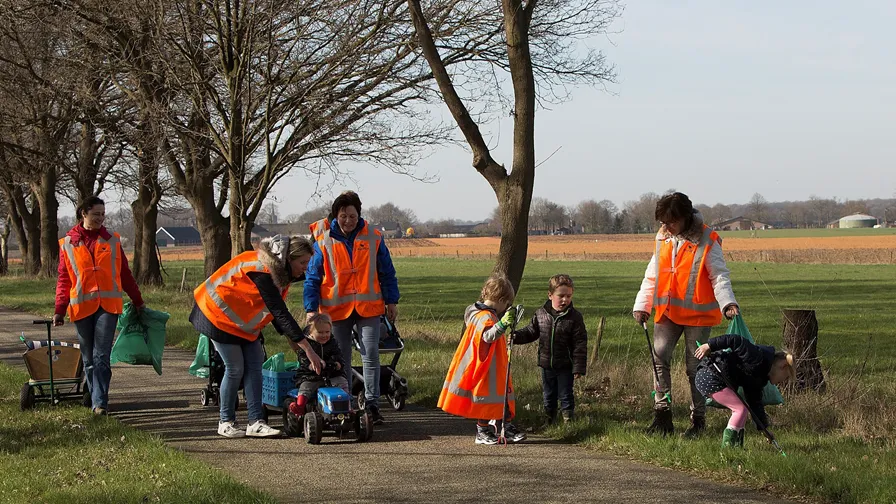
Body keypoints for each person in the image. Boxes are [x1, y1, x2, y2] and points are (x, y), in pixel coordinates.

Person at [191, 235, 324, 438]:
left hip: (240, 323)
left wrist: (295, 342)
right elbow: (280, 311)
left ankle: (256, 422)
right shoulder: (263, 271)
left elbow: (275, 314)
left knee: (255, 367)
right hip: (215, 314)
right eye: (302, 262)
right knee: (235, 368)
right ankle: (225, 422)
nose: (305, 268)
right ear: (288, 259)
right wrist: (308, 349)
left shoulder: (280, 273)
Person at [632, 192, 739, 438]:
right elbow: (653, 273)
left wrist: (728, 303)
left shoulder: (707, 239)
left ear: (685, 217)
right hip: (668, 312)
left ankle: (698, 422)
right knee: (658, 358)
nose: (666, 227)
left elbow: (719, 276)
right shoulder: (663, 237)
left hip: (697, 317)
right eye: (662, 223)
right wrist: (642, 305)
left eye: (671, 222)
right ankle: (662, 416)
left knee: (696, 369)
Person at [304, 191, 399, 425]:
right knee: (341, 357)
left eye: (353, 216)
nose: (348, 220)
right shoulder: (324, 240)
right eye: (344, 215)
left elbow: (387, 271)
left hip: (369, 307)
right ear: (337, 215)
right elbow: (312, 277)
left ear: (359, 214)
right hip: (336, 310)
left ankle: (372, 405)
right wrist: (311, 307)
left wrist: (391, 300)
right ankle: (343, 404)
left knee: (371, 355)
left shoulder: (374, 237)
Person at [53, 196, 145, 416]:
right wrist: (59, 309)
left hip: (108, 306)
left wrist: (137, 299)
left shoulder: (112, 240)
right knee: (88, 358)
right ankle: (95, 397)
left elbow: (124, 273)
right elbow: (64, 279)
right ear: (83, 213)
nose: (100, 218)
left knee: (101, 355)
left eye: (103, 214)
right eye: (96, 214)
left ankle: (100, 404)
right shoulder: (67, 243)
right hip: (81, 307)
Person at [438, 274, 526, 445]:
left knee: (499, 398)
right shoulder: (484, 317)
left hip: (492, 367)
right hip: (485, 368)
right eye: (506, 304)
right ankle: (483, 431)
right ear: (501, 300)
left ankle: (504, 427)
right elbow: (487, 336)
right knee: (486, 400)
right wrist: (502, 324)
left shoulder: (480, 313)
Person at [694, 335, 796, 448]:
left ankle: (737, 447)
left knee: (744, 409)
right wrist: (709, 345)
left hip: (717, 378)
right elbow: (736, 340)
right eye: (785, 377)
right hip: (710, 375)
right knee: (740, 409)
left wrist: (764, 429)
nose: (782, 381)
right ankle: (728, 448)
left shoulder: (760, 377)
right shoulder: (757, 356)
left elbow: (755, 403)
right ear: (783, 365)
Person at [512, 274, 587, 424]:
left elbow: (580, 344)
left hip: (566, 365)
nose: (565, 299)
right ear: (550, 295)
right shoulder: (541, 314)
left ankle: (568, 421)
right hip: (547, 364)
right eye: (561, 296)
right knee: (548, 394)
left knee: (565, 394)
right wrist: (515, 337)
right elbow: (531, 332)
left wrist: (578, 367)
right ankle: (549, 420)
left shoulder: (575, 317)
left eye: (569, 296)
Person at [291, 313, 350, 419]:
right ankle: (299, 407)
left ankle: (347, 406)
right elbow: (302, 358)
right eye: (320, 332)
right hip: (311, 376)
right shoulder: (306, 345)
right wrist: (310, 366)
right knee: (305, 388)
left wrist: (337, 363)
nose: (324, 335)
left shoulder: (332, 342)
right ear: (311, 332)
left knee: (342, 382)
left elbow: (338, 355)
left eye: (327, 332)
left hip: (330, 374)